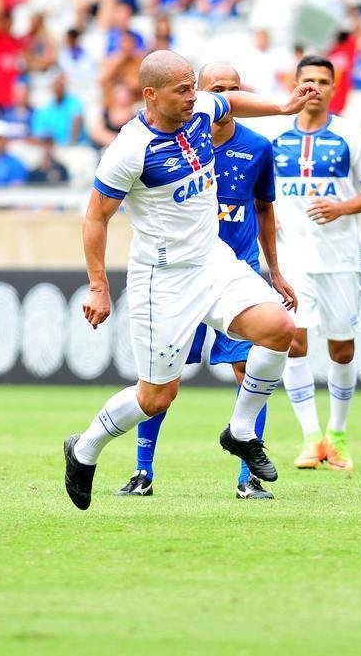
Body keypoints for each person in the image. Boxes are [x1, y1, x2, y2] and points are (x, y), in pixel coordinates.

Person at [63, 50, 320, 512]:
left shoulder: (200, 108)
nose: (193, 96)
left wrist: (282, 106)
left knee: (280, 329)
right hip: (163, 280)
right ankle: (84, 449)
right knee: (156, 397)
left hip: (212, 261)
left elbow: (232, 102)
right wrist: (98, 285)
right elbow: (95, 218)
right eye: (182, 89)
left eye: (192, 87)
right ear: (150, 95)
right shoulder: (129, 150)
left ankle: (240, 432)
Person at [119, 61, 294, 500]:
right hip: (181, 274)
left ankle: (246, 476)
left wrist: (274, 269)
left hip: (232, 273)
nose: (227, 95)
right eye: (219, 88)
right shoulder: (179, 138)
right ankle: (143, 472)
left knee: (247, 368)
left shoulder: (257, 147)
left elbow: (265, 209)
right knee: (162, 384)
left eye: (235, 88)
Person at [264, 54, 361, 473]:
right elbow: (254, 183)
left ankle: (337, 434)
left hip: (339, 258)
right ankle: (310, 438)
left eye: (322, 80)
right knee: (293, 341)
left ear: (333, 88)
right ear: (295, 86)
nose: (314, 87)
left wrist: (343, 207)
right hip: (291, 256)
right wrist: (267, 210)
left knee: (341, 346)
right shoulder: (274, 134)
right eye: (307, 80)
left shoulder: (351, 135)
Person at [31, 73, 84, 145]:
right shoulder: (45, 109)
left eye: (60, 84)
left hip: (72, 146)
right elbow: (39, 133)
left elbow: (77, 121)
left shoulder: (74, 103)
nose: (58, 87)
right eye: (56, 84)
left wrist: (70, 144)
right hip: (51, 147)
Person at [90, 83, 140, 148]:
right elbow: (96, 132)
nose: (122, 96)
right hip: (105, 147)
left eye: (124, 93)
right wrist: (112, 139)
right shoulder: (105, 112)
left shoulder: (135, 113)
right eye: (119, 93)